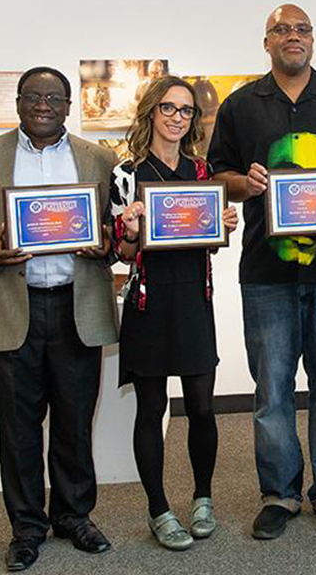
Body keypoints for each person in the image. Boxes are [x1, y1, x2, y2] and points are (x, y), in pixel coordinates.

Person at [207, 3, 316, 539]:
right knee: (272, 388)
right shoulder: (240, 105)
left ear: (313, 40)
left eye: (302, 29)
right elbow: (219, 175)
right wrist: (247, 183)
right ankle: (279, 495)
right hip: (266, 270)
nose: (293, 37)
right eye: (282, 29)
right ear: (266, 42)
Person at [0, 67, 118, 572]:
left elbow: (114, 230)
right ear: (18, 103)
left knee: (74, 420)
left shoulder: (99, 159)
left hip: (77, 305)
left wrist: (107, 243)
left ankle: (73, 515)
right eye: (33, 96)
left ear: (69, 105)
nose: (43, 104)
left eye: (54, 97)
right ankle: (26, 526)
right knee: (17, 428)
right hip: (9, 305)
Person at [109, 76, 239, 550]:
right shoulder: (125, 174)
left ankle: (202, 498)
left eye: (185, 111)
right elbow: (121, 255)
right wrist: (129, 229)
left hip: (193, 299)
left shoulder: (204, 173)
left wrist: (223, 224)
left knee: (203, 407)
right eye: (168, 108)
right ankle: (158, 509)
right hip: (148, 301)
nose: (177, 117)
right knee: (151, 409)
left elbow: (210, 245)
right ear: (150, 112)